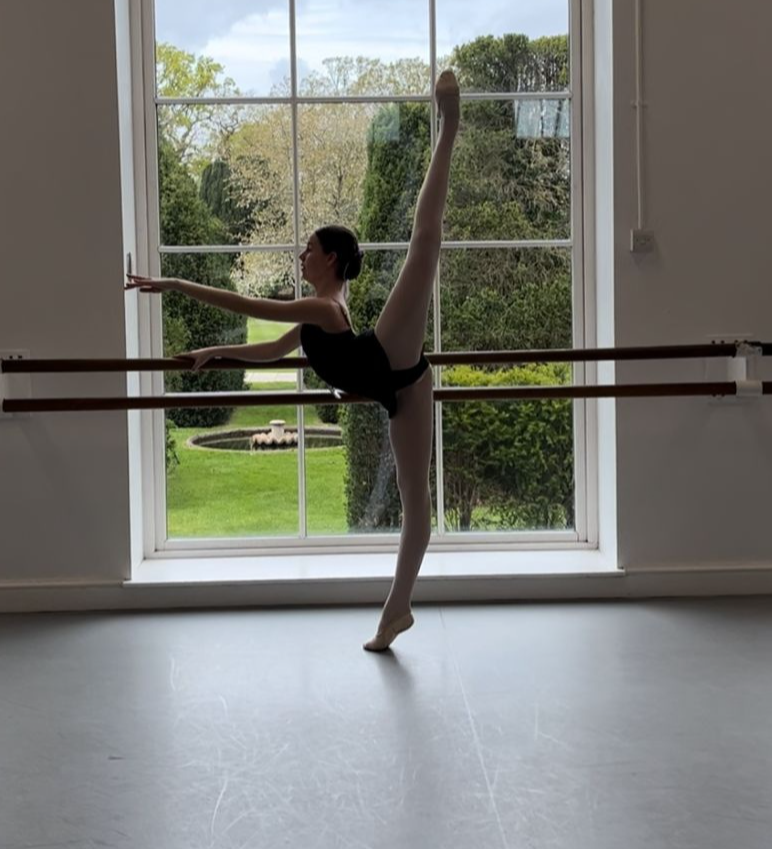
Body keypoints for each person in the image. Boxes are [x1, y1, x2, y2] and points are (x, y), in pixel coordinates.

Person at [125, 70, 460, 651]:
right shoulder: (316, 315)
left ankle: (449, 123)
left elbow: (248, 305)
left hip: (393, 359)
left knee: (424, 243)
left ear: (329, 260)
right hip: (404, 389)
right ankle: (399, 610)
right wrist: (217, 350)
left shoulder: (325, 308)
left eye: (308, 248)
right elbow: (273, 350)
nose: (301, 255)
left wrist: (176, 283)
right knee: (416, 506)